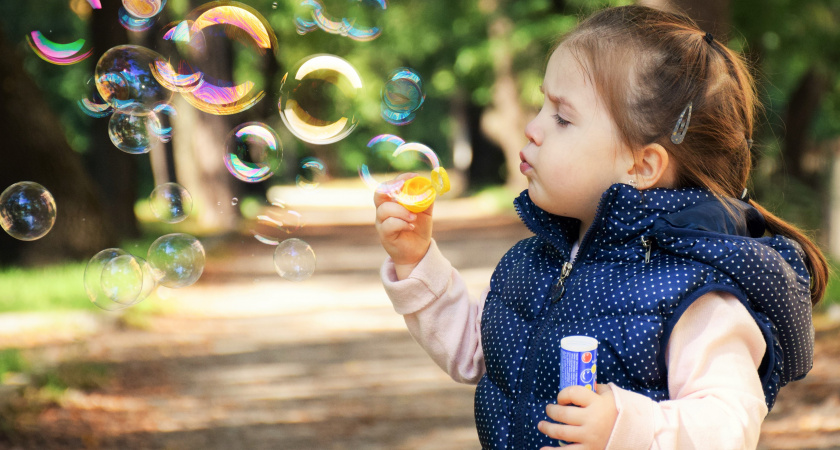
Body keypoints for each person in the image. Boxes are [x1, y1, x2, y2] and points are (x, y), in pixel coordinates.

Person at [373, 5, 827, 449]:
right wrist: (417, 261)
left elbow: (729, 423)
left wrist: (625, 426)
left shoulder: (695, 290)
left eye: (562, 117)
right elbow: (481, 352)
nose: (532, 129)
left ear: (642, 164)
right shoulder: (538, 260)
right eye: (541, 105)